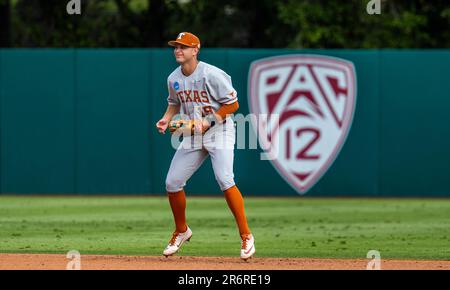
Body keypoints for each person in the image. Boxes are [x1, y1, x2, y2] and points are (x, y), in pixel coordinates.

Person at [155, 32, 255, 260]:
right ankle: (182, 231)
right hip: (193, 133)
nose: (178, 50)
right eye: (176, 47)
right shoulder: (173, 78)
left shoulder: (211, 74)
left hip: (219, 131)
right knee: (172, 182)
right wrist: (166, 118)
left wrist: (208, 121)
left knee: (225, 179)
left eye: (183, 47)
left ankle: (246, 236)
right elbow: (173, 103)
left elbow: (233, 104)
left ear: (195, 50)